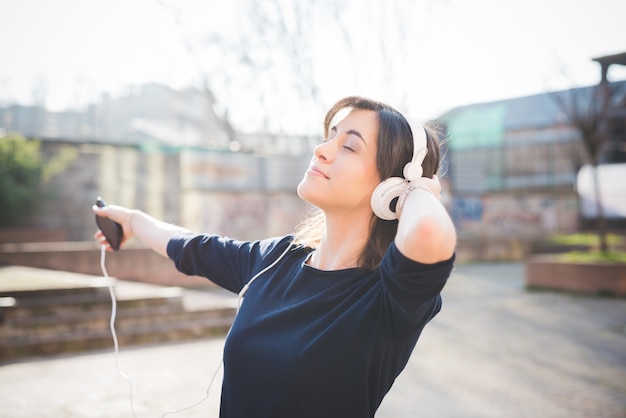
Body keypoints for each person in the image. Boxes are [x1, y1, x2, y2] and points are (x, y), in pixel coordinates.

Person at [94, 96, 457, 418]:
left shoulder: (390, 296)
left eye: (349, 147)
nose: (322, 149)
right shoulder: (276, 258)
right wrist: (133, 222)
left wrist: (416, 190)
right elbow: (194, 247)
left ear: (391, 187)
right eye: (330, 134)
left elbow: (428, 232)